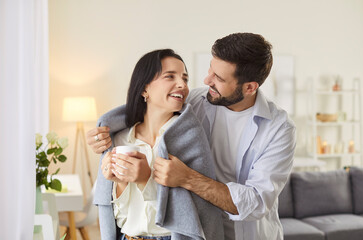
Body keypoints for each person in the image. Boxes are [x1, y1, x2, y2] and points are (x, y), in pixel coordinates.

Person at [87, 33, 296, 240]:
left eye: (219, 78)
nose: (206, 81)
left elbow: (257, 202)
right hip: (199, 231)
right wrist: (105, 132)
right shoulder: (195, 102)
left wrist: (187, 178)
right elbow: (147, 107)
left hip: (249, 235)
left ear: (250, 87)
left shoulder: (279, 128)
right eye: (210, 70)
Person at [92, 49, 224, 240]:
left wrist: (147, 180)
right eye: (170, 76)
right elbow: (119, 216)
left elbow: (198, 213)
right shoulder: (118, 140)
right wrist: (119, 182)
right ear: (145, 89)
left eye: (185, 79)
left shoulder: (191, 139)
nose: (182, 84)